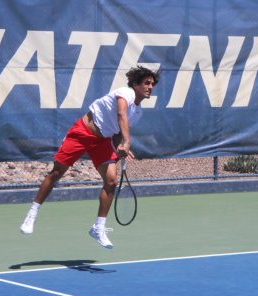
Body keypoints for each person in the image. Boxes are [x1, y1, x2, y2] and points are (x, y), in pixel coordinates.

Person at [20, 66, 160, 249]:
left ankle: (98, 227)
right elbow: (120, 114)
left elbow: (118, 131)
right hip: (82, 132)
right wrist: (127, 141)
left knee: (111, 182)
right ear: (135, 84)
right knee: (56, 173)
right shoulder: (124, 93)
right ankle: (33, 213)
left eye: (152, 84)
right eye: (146, 83)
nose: (150, 87)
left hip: (103, 141)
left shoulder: (138, 112)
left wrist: (119, 146)